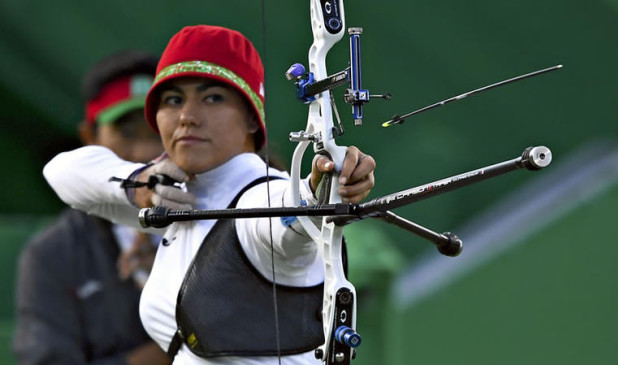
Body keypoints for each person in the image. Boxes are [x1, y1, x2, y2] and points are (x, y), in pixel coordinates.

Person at [43, 25, 376, 364]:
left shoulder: (260, 197)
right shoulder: (178, 195)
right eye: (173, 100)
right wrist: (139, 183)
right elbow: (59, 173)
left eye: (212, 98)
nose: (187, 117)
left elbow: (283, 220)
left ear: (250, 118)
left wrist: (316, 190)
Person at [13, 50, 171, 365]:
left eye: (157, 130)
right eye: (125, 132)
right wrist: (170, 350)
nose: (145, 151)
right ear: (89, 136)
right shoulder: (53, 253)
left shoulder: (219, 224)